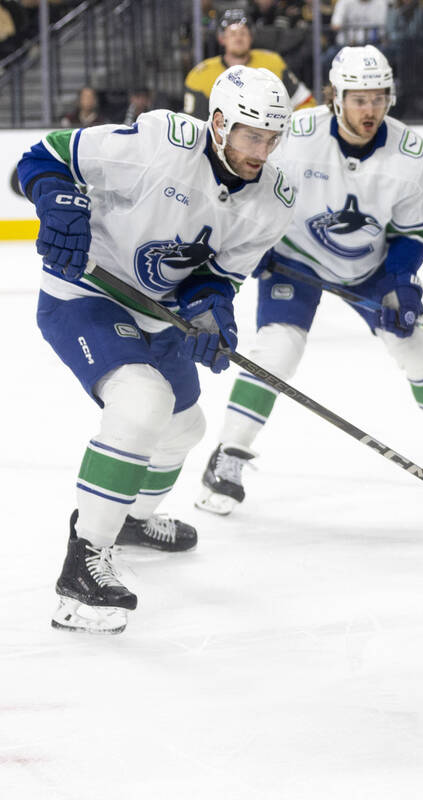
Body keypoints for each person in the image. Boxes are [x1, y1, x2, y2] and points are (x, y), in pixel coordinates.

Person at [17, 65, 296, 634]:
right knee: (141, 402)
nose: (261, 151)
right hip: (86, 292)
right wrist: (58, 201)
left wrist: (211, 309)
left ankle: (131, 520)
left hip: (157, 313)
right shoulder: (159, 142)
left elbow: (219, 275)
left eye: (271, 139)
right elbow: (41, 157)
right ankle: (83, 564)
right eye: (251, 135)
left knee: (183, 428)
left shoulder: (274, 197)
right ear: (218, 123)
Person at [195, 45, 423, 517]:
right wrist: (258, 245)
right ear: (336, 96)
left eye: (378, 98)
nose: (369, 109)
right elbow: (253, 186)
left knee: (418, 346)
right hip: (297, 259)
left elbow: (414, 233)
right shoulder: (297, 134)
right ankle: (228, 455)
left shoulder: (410, 152)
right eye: (358, 98)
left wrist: (399, 281)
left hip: (369, 268)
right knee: (277, 350)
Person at [184, 8, 313, 119]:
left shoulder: (273, 63)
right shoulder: (201, 75)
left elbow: (304, 101)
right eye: (233, 34)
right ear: (222, 39)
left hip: (270, 140)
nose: (238, 38)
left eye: (243, 33)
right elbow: (194, 123)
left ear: (251, 37)